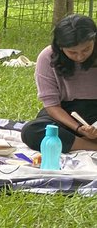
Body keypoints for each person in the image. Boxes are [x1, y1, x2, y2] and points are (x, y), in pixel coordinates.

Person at [20, 14, 97, 153]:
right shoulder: (47, 57)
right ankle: (90, 145)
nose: (80, 56)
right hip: (66, 112)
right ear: (61, 47)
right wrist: (79, 129)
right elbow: (52, 106)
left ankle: (71, 141)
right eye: (72, 52)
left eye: (86, 49)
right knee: (32, 131)